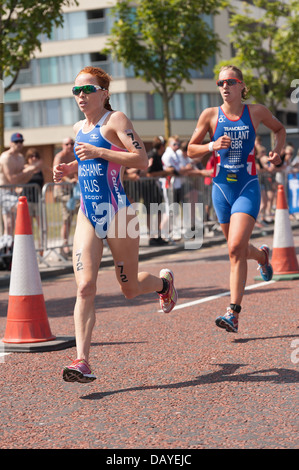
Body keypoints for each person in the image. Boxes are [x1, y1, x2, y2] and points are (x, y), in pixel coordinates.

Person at [53, 66, 178, 383]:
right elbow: (87, 162)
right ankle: (82, 360)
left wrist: (98, 150)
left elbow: (141, 160)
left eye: (88, 90)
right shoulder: (78, 126)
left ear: (104, 93)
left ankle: (164, 284)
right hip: (88, 213)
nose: (81, 96)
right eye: (76, 91)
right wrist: (70, 167)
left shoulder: (116, 120)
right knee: (85, 286)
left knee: (130, 289)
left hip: (119, 216)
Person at [188, 65, 285, 333]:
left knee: (234, 249)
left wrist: (277, 152)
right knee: (237, 249)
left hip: (247, 187)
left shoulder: (256, 111)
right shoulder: (210, 115)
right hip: (220, 190)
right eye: (220, 83)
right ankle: (263, 256)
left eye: (230, 82)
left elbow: (280, 130)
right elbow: (190, 150)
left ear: (242, 85)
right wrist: (211, 146)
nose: (225, 87)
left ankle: (233, 312)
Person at [0, 133, 42, 236]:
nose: (19, 144)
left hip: (13, 193)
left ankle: (7, 249)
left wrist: (32, 171)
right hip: (4, 192)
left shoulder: (20, 158)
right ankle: (9, 248)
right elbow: (12, 179)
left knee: (9, 225)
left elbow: (24, 180)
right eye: (16, 142)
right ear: (11, 143)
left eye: (21, 142)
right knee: (21, 208)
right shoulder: (6, 157)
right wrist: (29, 169)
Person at [53, 137, 79, 257]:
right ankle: (65, 246)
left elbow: (77, 171)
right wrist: (69, 180)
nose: (69, 145)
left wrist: (78, 182)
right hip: (62, 191)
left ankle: (76, 244)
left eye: (72, 143)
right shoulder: (59, 157)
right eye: (67, 144)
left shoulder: (74, 155)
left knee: (80, 215)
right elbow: (58, 172)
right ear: (62, 145)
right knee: (67, 218)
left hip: (73, 191)